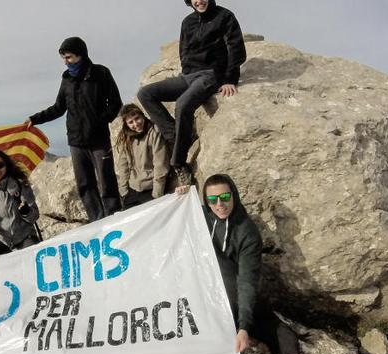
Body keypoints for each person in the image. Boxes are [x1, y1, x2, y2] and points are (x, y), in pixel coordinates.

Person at [178, 174, 344, 354]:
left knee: (285, 338)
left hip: (246, 304)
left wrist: (243, 326)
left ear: (235, 196)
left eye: (226, 197)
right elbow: (167, 222)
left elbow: (246, 282)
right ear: (206, 202)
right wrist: (179, 197)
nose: (221, 204)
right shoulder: (200, 219)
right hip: (212, 307)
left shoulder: (247, 231)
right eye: (213, 199)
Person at [137, 0, 245, 176]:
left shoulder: (225, 16)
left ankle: (179, 163)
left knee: (182, 104)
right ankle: (176, 134)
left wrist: (229, 79)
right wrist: (186, 70)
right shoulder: (188, 22)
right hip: (188, 76)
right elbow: (184, 50)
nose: (199, 1)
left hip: (212, 74)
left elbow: (236, 49)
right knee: (146, 93)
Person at [24, 36, 122, 222]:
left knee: (106, 179)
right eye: (63, 58)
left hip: (99, 138)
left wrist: (101, 121)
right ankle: (97, 219)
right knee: (84, 183)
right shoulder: (67, 79)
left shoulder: (101, 73)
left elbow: (116, 103)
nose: (65, 62)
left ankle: (114, 216)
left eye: (68, 57)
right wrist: (34, 119)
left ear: (80, 55)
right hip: (76, 141)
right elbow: (59, 108)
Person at [0, 149, 41, 261]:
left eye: (0, 165)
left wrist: (26, 212)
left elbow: (35, 215)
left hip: (25, 238)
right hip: (2, 241)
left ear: (6, 166)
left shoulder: (20, 184)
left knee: (31, 262)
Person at [114, 103, 171, 208]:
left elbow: (160, 164)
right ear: (126, 124)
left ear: (142, 116)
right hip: (132, 190)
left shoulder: (154, 132)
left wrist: (157, 195)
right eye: (131, 122)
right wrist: (124, 192)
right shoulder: (125, 138)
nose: (136, 124)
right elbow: (123, 166)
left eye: (137, 118)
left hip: (152, 189)